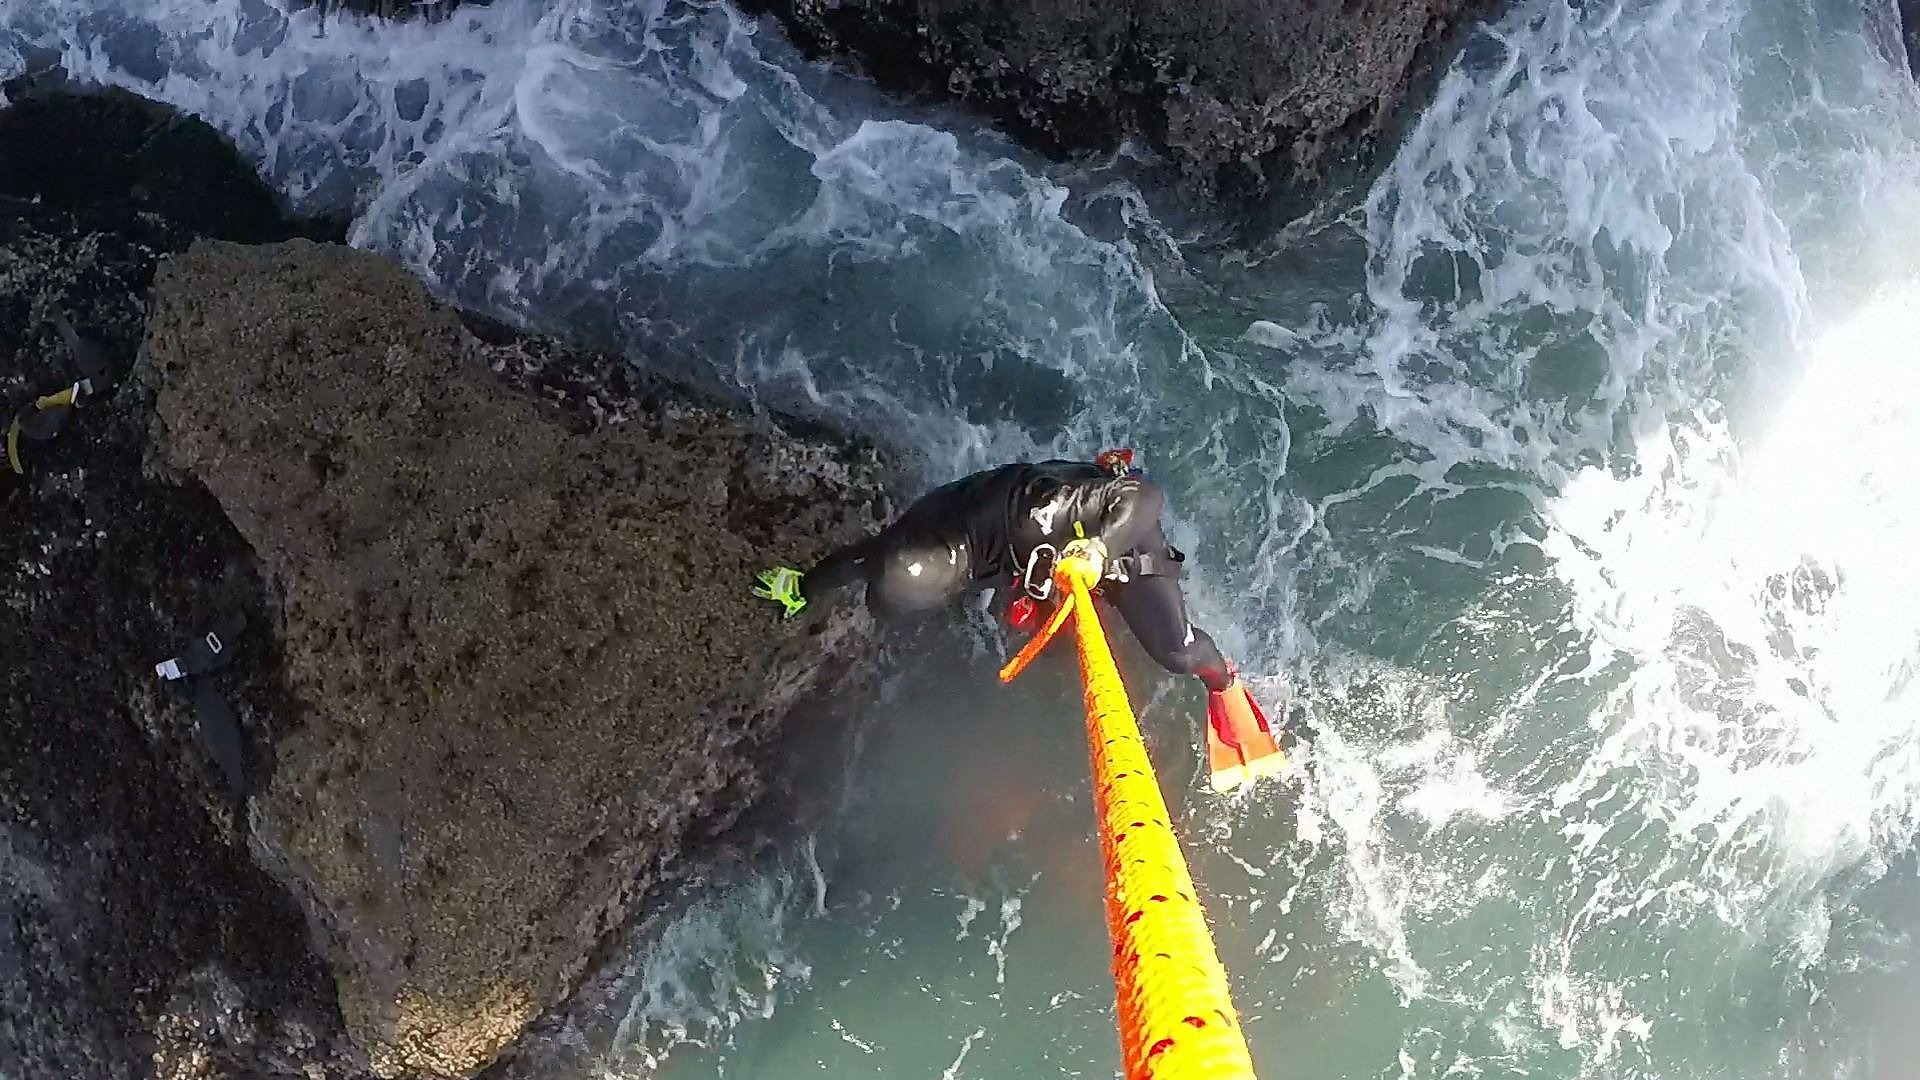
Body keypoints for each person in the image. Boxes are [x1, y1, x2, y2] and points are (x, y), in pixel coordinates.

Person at [753, 449, 1285, 791]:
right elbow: (864, 557)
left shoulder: (1043, 514)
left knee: (1174, 654)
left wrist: (1099, 552)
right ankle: (1066, 590)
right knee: (1051, 641)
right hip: (1026, 548)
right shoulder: (916, 538)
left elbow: (1144, 495)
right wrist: (800, 586)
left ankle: (1224, 682)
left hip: (1107, 531)